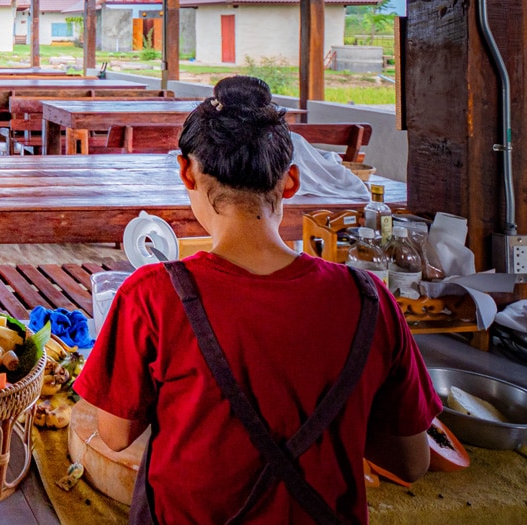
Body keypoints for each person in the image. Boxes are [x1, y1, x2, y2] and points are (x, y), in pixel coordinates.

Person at [74, 77, 440, 524]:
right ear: (290, 181)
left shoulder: (151, 295)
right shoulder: (370, 300)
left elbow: (114, 434)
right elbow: (411, 462)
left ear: (186, 172)